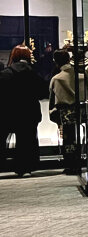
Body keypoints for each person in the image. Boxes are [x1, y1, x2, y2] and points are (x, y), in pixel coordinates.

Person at [0, 44, 48, 176]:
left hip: (7, 112)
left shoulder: (5, 74)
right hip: (29, 113)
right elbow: (42, 93)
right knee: (27, 140)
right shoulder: (33, 74)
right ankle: (25, 167)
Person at [49, 48, 88, 174]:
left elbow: (52, 99)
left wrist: (52, 113)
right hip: (83, 109)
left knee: (69, 139)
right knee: (83, 136)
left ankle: (71, 164)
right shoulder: (82, 77)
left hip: (66, 111)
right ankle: (82, 161)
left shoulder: (57, 79)